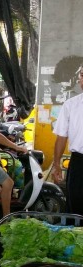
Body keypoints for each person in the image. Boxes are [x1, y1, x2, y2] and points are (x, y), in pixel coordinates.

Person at [52, 65, 83, 216]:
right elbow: (61, 137)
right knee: (75, 204)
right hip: (79, 163)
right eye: (82, 75)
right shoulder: (70, 105)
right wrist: (56, 164)